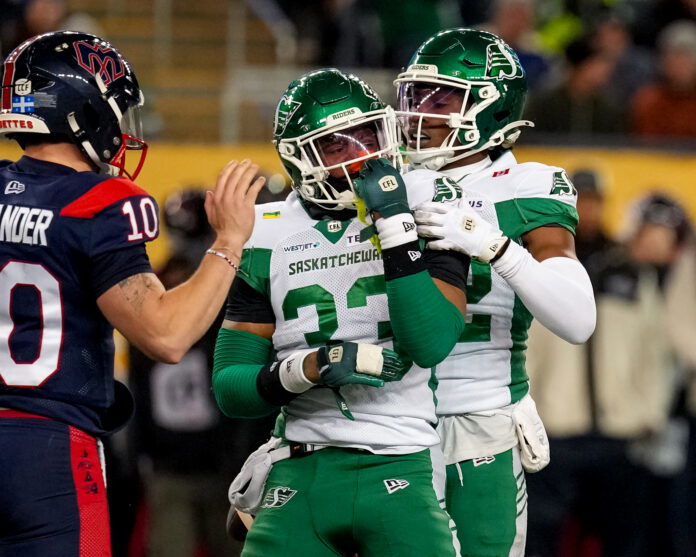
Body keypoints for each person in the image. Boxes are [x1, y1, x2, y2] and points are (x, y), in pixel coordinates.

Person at [0, 31, 265, 556]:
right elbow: (166, 335)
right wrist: (230, 241)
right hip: (49, 448)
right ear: (85, 108)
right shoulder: (98, 202)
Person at [214, 68, 470, 557]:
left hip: (401, 456)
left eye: (369, 136)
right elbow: (231, 387)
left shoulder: (426, 200)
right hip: (299, 461)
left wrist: (394, 224)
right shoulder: (266, 230)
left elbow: (431, 341)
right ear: (300, 158)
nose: (363, 155)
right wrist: (307, 368)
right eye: (336, 146)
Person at [394, 28, 596, 556]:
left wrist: (492, 245)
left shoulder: (524, 185)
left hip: (477, 419)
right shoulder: (383, 183)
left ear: (490, 106)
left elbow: (578, 319)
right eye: (415, 96)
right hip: (380, 419)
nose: (418, 113)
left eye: (441, 99)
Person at [524, 177, 676, 557]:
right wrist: (528, 412)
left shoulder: (629, 269)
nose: (586, 210)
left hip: (621, 428)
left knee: (623, 537)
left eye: (593, 201)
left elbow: (653, 348)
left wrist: (650, 412)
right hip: (556, 427)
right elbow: (526, 348)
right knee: (542, 533)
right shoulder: (539, 266)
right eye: (578, 201)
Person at [127, 189, 276, 557]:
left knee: (232, 546)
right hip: (181, 458)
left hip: (215, 457)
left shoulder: (170, 289)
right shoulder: (217, 290)